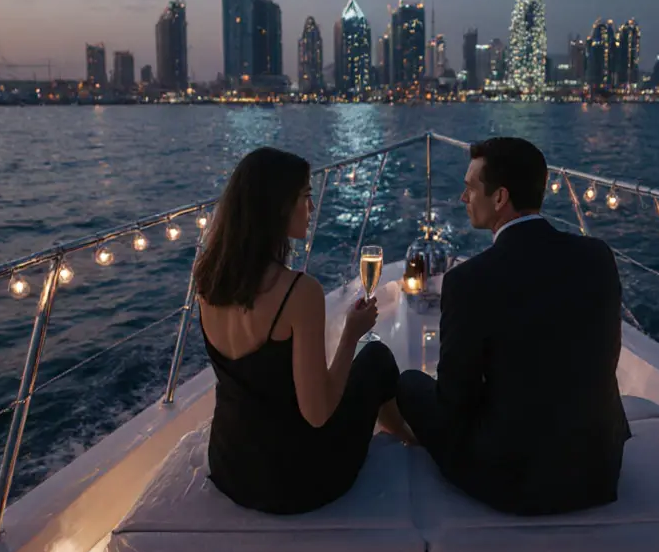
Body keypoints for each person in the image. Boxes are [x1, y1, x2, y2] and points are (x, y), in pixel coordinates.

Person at [397, 137, 629, 515]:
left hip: (514, 483)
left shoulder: (470, 281)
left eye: (471, 188)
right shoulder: (597, 256)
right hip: (599, 470)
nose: (463, 197)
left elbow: (455, 399)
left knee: (408, 383)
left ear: (500, 197)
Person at [195, 147, 409, 514]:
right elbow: (317, 413)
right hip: (295, 481)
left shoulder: (207, 279)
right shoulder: (299, 291)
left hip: (231, 465)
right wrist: (351, 335)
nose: (311, 208)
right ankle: (408, 442)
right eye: (305, 197)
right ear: (278, 206)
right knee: (376, 359)